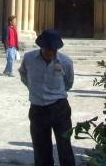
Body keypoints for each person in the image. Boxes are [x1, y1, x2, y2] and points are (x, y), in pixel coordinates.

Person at [19, 29, 75, 166]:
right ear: (42, 47)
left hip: (59, 108)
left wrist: (56, 93)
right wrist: (34, 89)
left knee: (64, 146)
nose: (51, 52)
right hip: (37, 109)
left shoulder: (66, 62)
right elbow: (23, 74)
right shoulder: (29, 58)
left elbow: (69, 82)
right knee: (40, 148)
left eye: (54, 49)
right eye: (48, 49)